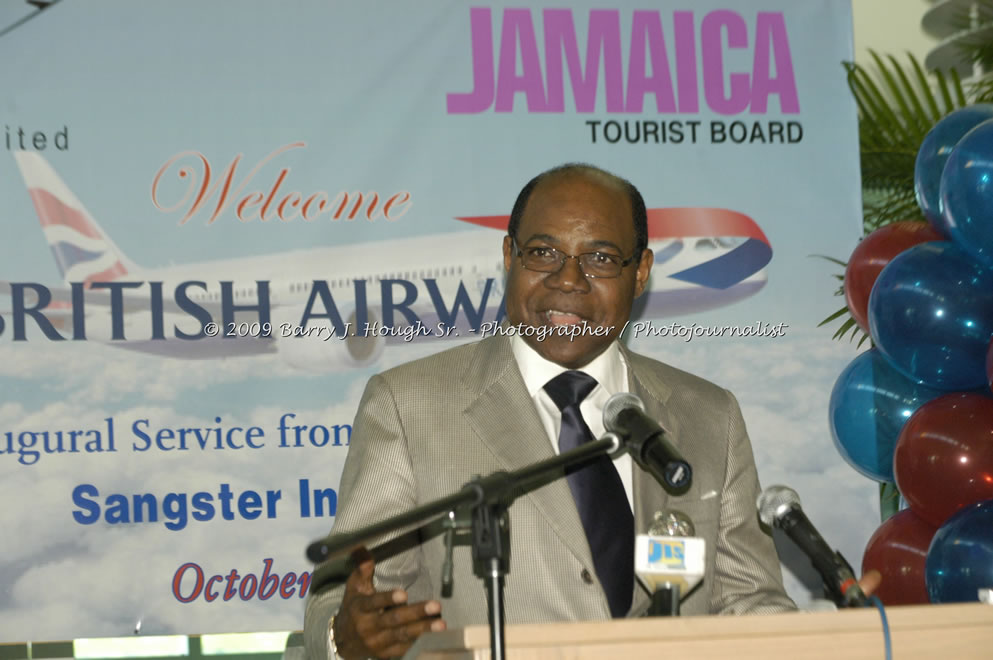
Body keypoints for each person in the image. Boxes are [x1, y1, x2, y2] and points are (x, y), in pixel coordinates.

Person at [304, 164, 870, 660]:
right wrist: (344, 640)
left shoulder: (707, 416)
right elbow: (346, 596)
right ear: (509, 257)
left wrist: (831, 643)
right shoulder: (410, 405)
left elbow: (748, 602)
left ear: (640, 272)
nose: (567, 280)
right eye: (543, 253)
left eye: (599, 258)